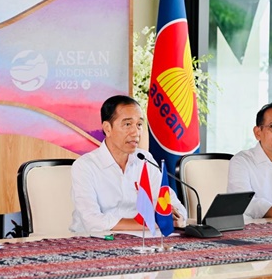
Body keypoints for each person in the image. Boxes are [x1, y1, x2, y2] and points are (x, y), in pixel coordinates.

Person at [70, 95, 187, 233]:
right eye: (127, 124)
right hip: (92, 242)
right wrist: (146, 223)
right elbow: (92, 222)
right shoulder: (85, 166)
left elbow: (177, 207)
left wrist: (173, 216)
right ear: (107, 128)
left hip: (142, 240)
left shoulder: (144, 159)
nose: (136, 132)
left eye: (139, 125)